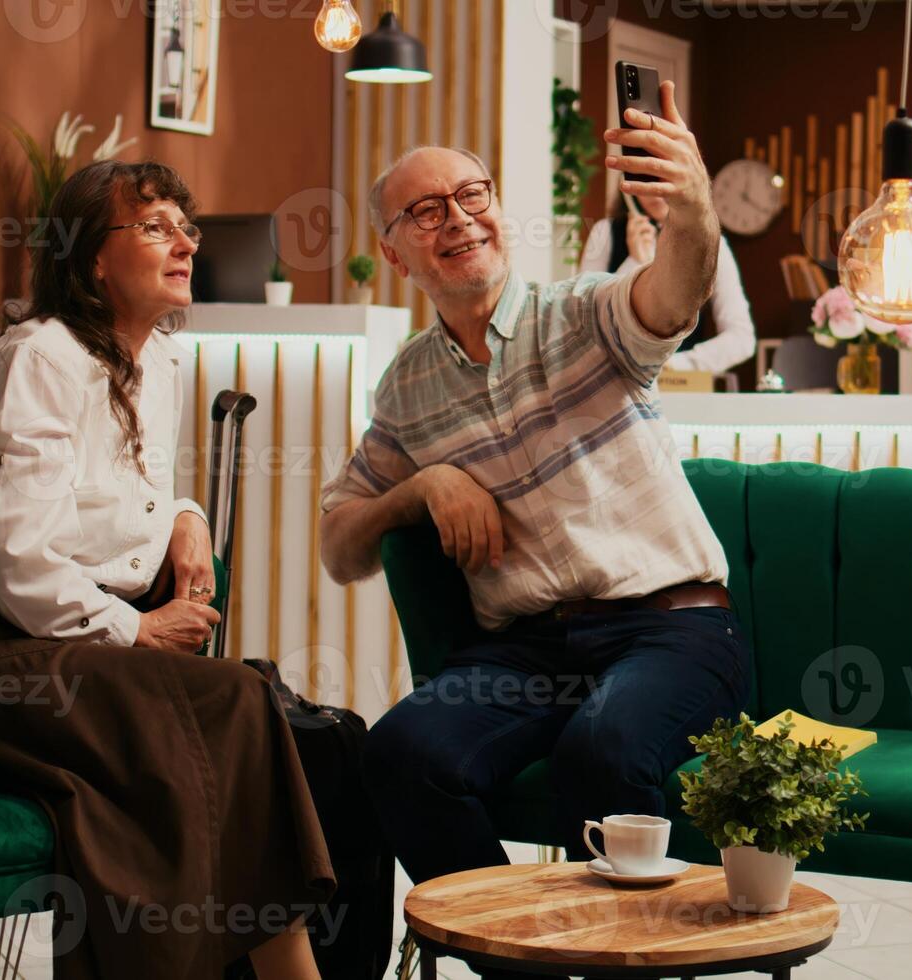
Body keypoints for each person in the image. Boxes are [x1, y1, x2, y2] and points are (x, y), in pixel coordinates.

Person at [318, 79, 751, 916]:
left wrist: (692, 206)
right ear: (396, 252)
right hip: (527, 655)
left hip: (671, 629)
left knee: (605, 748)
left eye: (471, 196)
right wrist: (422, 486)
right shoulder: (405, 387)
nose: (457, 218)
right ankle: (528, 961)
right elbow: (341, 549)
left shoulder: (587, 314)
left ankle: (618, 967)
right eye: (425, 210)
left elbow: (676, 293)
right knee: (399, 755)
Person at [0, 160, 332, 980]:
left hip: (61, 635)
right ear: (93, 257)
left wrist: (185, 517)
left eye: (186, 226)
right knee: (235, 700)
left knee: (244, 714)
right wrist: (135, 627)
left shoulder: (156, 359)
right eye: (156, 226)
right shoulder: (41, 356)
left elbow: (132, 487)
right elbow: (19, 560)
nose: (184, 244)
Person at [577, 187, 758, 377]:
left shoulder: (711, 244)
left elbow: (742, 338)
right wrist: (634, 262)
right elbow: (582, 321)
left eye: (664, 178)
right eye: (645, 178)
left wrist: (678, 364)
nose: (655, 191)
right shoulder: (605, 232)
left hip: (677, 389)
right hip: (612, 382)